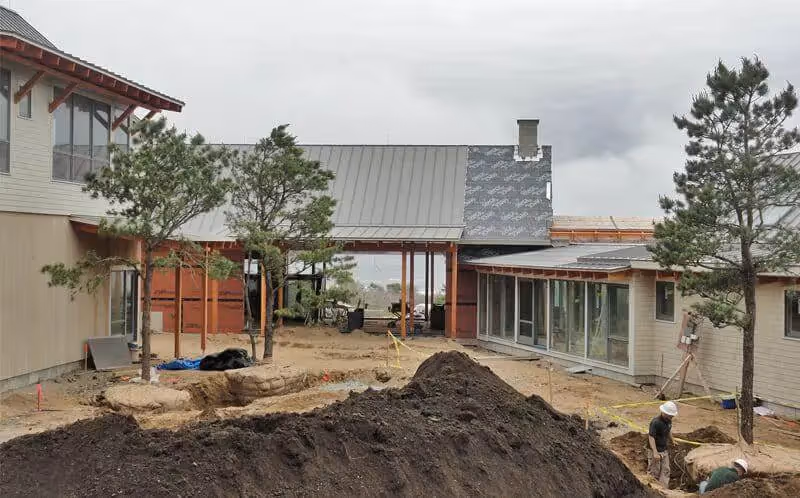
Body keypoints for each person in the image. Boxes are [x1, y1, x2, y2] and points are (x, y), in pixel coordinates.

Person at [647, 401, 678, 487]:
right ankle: (652, 489)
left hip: (664, 450)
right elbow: (651, 437)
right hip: (655, 450)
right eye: (670, 415)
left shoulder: (668, 421)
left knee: (666, 470)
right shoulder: (656, 422)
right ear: (664, 412)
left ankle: (663, 489)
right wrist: (655, 452)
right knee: (654, 471)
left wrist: (672, 440)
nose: (671, 417)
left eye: (672, 416)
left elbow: (669, 429)